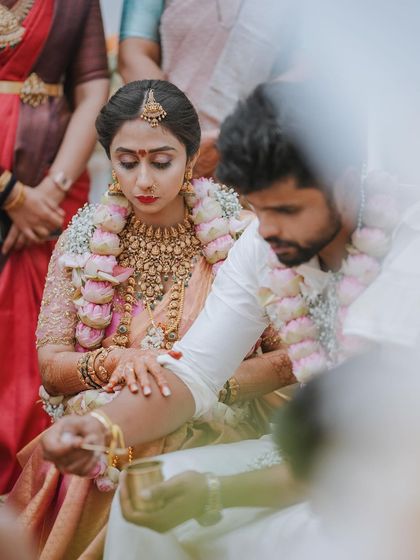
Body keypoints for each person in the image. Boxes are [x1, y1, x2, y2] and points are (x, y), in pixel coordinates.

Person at [36, 80, 404, 535]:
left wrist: (214, 491)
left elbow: (375, 449)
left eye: (287, 210)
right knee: (140, 509)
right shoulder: (263, 243)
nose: (267, 231)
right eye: (261, 210)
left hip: (392, 467)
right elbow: (195, 371)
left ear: (346, 184)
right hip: (320, 455)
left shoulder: (405, 250)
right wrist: (102, 429)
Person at [8, 79, 293, 559]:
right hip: (109, 421)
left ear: (189, 155)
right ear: (109, 157)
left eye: (161, 162)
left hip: (215, 424)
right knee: (100, 441)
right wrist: (117, 361)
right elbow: (51, 364)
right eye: (127, 161)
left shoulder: (241, 236)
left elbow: (292, 356)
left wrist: (192, 385)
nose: (143, 180)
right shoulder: (82, 242)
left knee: (153, 435)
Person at [0, 0, 109, 492]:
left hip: (56, 193)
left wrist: (50, 190)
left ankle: (38, 481)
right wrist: (10, 194)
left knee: (51, 325)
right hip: (23, 192)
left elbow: (91, 89)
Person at [118, 0, 296, 177]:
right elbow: (133, 55)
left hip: (256, 146)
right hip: (162, 136)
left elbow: (307, 67)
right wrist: (178, 134)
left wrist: (234, 136)